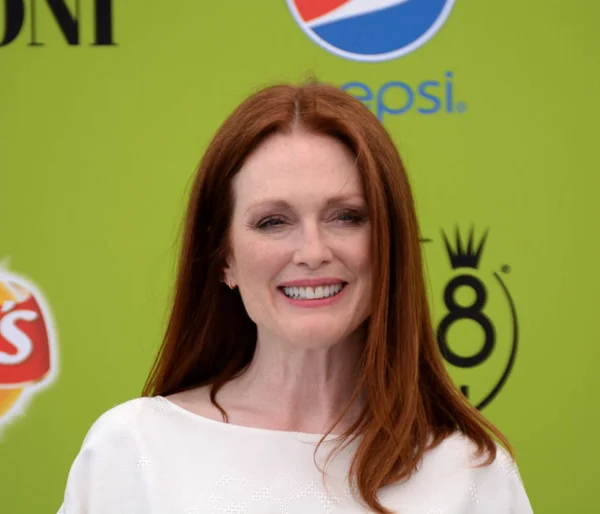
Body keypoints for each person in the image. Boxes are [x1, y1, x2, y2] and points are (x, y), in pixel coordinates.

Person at [57, 82, 534, 514]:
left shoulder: (471, 475)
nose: (312, 252)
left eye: (346, 216)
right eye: (273, 222)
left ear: (391, 243)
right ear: (224, 258)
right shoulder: (132, 450)